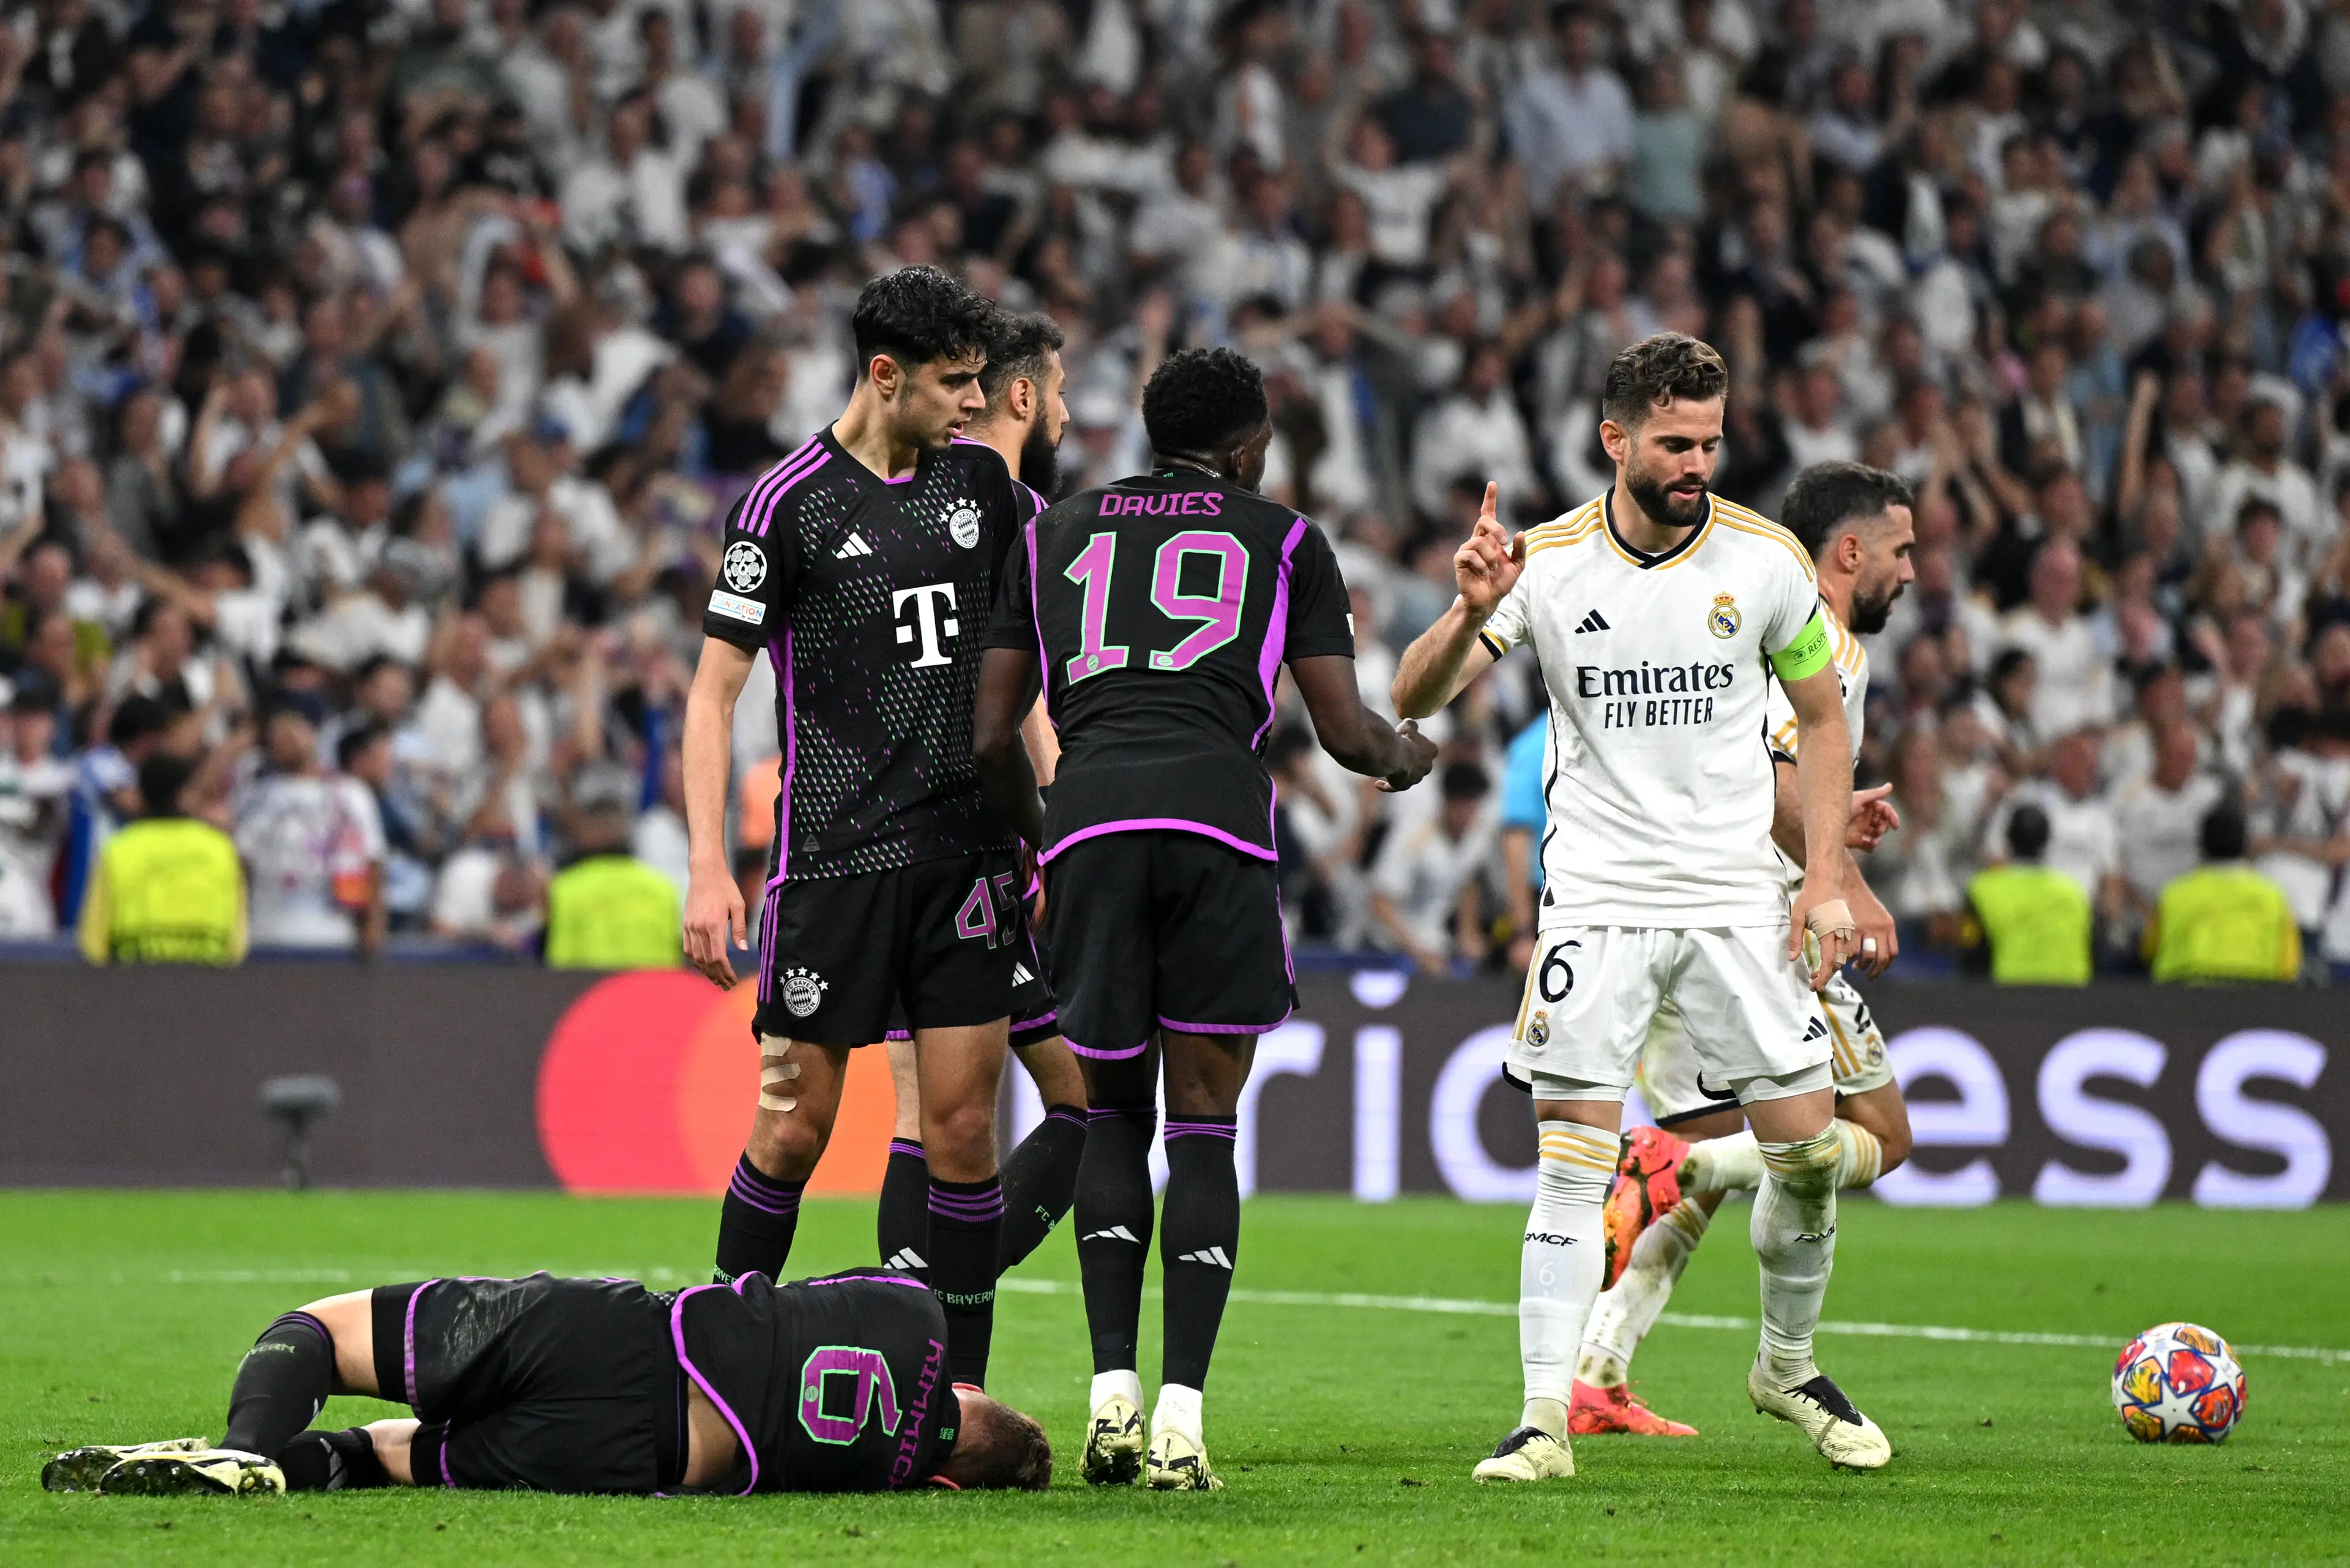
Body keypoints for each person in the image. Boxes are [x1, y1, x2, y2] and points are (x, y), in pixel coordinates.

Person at [1390, 333, 1886, 1480]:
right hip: (1600, 901)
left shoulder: (1764, 561)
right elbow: (1412, 701)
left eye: (1711, 441)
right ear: (1615, 438)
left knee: (1809, 1156)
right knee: (1573, 1162)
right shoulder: (1548, 562)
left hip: (1732, 903)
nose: (1696, 462)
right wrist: (1468, 612)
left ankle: (1786, 1365)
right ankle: (1541, 1420)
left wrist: (1822, 880)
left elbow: (1821, 721)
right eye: (1673, 442)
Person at [973, 347, 1437, 1490]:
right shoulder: (1285, 539)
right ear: (1243, 449)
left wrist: (1051, 835)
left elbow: (990, 734)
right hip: (1219, 830)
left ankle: (1110, 1399)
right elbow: (1343, 731)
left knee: (1113, 1114)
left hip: (1088, 822)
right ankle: (1182, 1420)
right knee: (1207, 1125)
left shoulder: (1051, 535)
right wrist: (1411, 750)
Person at [679, 267, 1024, 1391]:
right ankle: (720, 1377)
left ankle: (957, 1399)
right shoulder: (787, 505)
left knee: (967, 1134)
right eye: (954, 383)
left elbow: (1034, 667)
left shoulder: (982, 489)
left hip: (963, 861)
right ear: (886, 376)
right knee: (794, 1126)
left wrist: (1054, 824)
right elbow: (711, 693)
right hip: (833, 860)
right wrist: (706, 868)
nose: (973, 404)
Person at [1571, 460, 1921, 1437]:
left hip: (1669, 908)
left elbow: (1736, 770)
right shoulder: (1822, 635)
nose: (1912, 570)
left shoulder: (1733, 602)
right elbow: (1771, 778)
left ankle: (1598, 1369)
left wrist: (1835, 818)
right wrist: (1846, 885)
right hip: (1758, 931)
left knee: (1704, 1148)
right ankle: (1771, 1344)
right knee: (1879, 1137)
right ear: (1849, 550)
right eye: (1902, 550)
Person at [44, 1267, 1049, 1498]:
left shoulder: (915, 1315)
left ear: (967, 1392)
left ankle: (242, 1446)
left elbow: (796, 1288)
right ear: (950, 1481)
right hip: (633, 1459)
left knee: (323, 1329)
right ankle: (269, 1472)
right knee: (392, 1456)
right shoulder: (890, 1484)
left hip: (626, 1342)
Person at [877, 308, 1089, 1282]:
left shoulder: (901, 504)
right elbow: (1026, 704)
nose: (1069, 411)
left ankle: (907, 1311)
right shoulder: (1027, 524)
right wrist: (1052, 830)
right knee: (1078, 1098)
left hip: (879, 837)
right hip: (975, 844)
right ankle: (944, 1287)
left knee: (923, 1106)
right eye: (1061, 391)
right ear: (1022, 396)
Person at [78, 752, 247, 966]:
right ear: (184, 794)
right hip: (207, 986)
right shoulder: (221, 850)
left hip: (132, 986)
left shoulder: (119, 849)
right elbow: (236, 945)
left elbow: (93, 943)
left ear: (143, 794)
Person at [2145, 805, 2300, 983]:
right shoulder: (2273, 896)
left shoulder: (2173, 893)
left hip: (2184, 993)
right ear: (2245, 845)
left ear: (2202, 844)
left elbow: (2149, 950)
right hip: (2255, 996)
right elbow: (2289, 964)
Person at [543, 793, 682, 969]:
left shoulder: (566, 889)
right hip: (654, 991)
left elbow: (561, 963)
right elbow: (674, 959)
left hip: (597, 993)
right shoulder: (663, 888)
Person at [1965, 804, 2092, 984]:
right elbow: (2091, 944)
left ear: (2008, 839)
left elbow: (1971, 951)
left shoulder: (1983, 890)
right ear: (2048, 840)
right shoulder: (2073, 891)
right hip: (2072, 994)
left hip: (2012, 995)